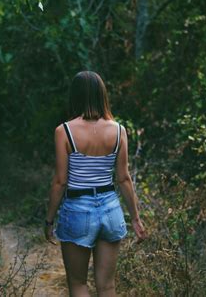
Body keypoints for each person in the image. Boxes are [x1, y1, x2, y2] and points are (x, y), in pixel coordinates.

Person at [44, 70, 147, 296]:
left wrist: (49, 220)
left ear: (75, 96)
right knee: (107, 285)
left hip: (78, 210)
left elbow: (60, 181)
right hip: (111, 210)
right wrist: (136, 218)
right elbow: (123, 178)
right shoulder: (119, 131)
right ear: (102, 95)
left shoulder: (64, 131)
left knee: (79, 283)